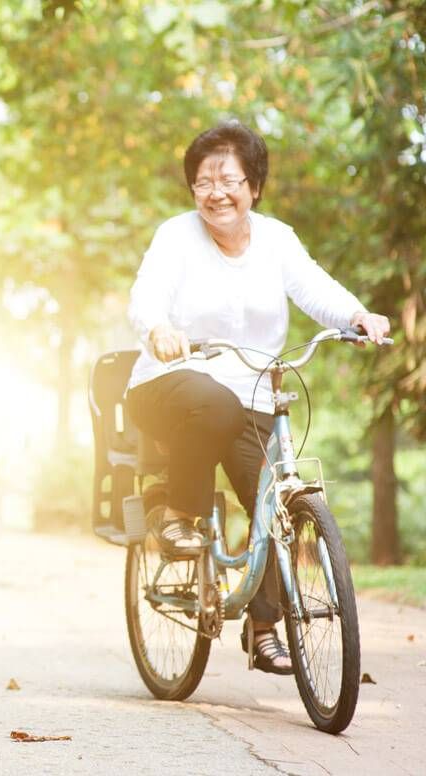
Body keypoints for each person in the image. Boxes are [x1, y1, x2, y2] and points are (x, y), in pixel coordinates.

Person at [124, 121, 390, 675]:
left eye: (229, 180)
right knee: (213, 401)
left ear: (255, 186)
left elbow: (316, 289)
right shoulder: (177, 236)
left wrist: (359, 315)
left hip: (251, 396)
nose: (215, 193)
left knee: (275, 500)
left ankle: (265, 627)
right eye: (203, 182)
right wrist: (157, 329)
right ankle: (180, 513)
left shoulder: (277, 239)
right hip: (170, 384)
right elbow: (146, 295)